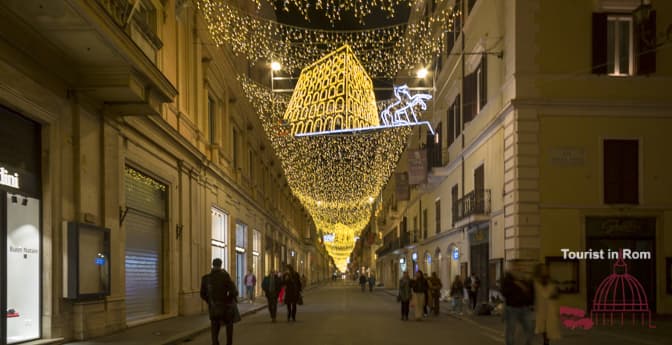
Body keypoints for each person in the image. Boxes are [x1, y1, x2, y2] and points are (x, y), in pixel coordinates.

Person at [200, 258, 238, 345]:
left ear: (212, 265)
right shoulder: (225, 276)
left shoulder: (206, 278)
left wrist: (210, 302)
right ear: (221, 265)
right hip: (225, 307)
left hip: (214, 307)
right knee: (229, 327)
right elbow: (234, 291)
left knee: (214, 330)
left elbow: (202, 294)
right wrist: (228, 299)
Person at [501, 261, 535, 345]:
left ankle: (528, 343)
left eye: (519, 266)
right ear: (511, 268)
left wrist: (531, 303)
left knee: (530, 328)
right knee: (510, 330)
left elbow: (531, 291)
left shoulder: (525, 279)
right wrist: (515, 284)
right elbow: (504, 292)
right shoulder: (507, 279)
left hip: (525, 307)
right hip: (512, 308)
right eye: (515, 266)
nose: (518, 268)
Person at [534, 264, 561, 345]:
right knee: (542, 328)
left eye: (546, 269)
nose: (545, 271)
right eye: (543, 269)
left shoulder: (551, 281)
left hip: (550, 308)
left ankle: (546, 343)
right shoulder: (536, 281)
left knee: (548, 328)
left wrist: (554, 294)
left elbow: (556, 294)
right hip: (541, 308)